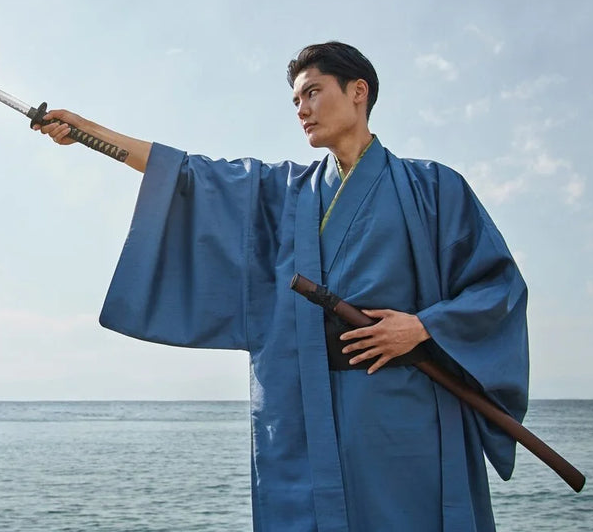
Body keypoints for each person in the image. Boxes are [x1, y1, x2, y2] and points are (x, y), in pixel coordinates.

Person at [34, 41, 529, 532]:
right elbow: (189, 174)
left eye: (312, 93)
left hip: (406, 407)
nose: (302, 110)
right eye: (295, 101)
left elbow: (498, 287)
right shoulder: (285, 193)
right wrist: (87, 134)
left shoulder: (434, 187)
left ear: (359, 91)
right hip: (305, 404)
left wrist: (422, 326)